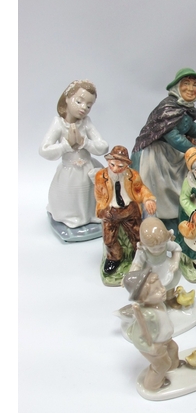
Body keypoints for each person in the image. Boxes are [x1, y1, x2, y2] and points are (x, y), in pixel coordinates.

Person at [131, 68, 196, 229]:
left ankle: (183, 212)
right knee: (164, 184)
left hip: (169, 151)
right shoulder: (168, 108)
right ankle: (163, 218)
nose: (191, 88)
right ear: (177, 87)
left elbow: (189, 127)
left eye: (195, 85)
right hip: (154, 154)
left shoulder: (182, 107)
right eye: (186, 83)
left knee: (187, 174)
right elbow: (173, 137)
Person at [39, 79, 108, 241]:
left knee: (90, 196)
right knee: (71, 196)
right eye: (79, 101)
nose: (84, 108)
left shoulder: (86, 123)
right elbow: (44, 150)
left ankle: (90, 216)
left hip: (87, 168)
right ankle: (71, 218)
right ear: (67, 98)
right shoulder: (58, 123)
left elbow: (103, 146)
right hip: (69, 170)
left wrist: (85, 143)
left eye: (89, 106)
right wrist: (66, 145)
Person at [94, 145, 156, 275]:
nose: (115, 169)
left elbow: (140, 188)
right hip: (111, 211)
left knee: (137, 235)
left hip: (129, 209)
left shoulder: (132, 175)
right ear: (108, 161)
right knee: (108, 239)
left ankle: (138, 255)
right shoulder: (101, 176)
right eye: (112, 165)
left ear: (127, 165)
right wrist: (103, 207)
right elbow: (99, 194)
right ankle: (114, 258)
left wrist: (148, 199)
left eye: (120, 166)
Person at [122, 268, 180, 391]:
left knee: (173, 348)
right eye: (156, 291)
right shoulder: (146, 315)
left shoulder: (160, 304)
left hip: (165, 339)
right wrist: (150, 347)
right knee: (161, 365)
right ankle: (152, 385)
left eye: (161, 286)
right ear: (142, 300)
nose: (163, 290)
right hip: (154, 344)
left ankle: (174, 367)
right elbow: (139, 335)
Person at [129, 217, 182, 307]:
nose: (158, 250)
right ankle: (155, 302)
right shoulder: (143, 251)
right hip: (151, 272)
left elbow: (177, 249)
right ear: (144, 244)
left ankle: (170, 298)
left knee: (170, 284)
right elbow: (136, 264)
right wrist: (130, 276)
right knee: (153, 289)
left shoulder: (165, 243)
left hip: (166, 267)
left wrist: (175, 261)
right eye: (153, 249)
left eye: (161, 247)